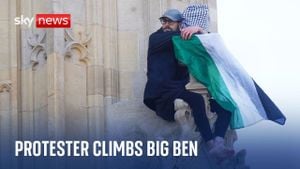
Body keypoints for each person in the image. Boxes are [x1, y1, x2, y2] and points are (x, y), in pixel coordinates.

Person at [143, 8, 234, 161]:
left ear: (179, 24)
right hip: (162, 95)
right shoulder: (156, 38)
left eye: (170, 22)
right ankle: (211, 144)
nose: (165, 25)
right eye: (163, 21)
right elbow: (183, 38)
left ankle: (218, 142)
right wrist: (195, 30)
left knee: (226, 106)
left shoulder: (181, 42)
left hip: (177, 90)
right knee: (197, 100)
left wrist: (198, 30)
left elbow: (211, 46)